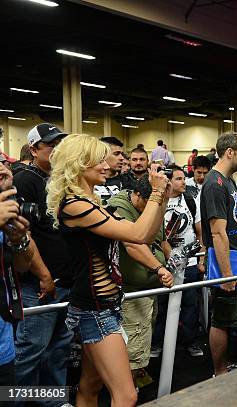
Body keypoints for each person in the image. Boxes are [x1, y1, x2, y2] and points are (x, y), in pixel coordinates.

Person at [47, 133, 171, 406]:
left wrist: (161, 198)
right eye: (99, 162)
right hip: (96, 310)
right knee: (126, 396)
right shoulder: (75, 205)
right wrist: (158, 192)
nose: (108, 166)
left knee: (91, 386)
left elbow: (144, 236)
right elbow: (138, 233)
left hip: (103, 306)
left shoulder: (91, 201)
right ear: (79, 164)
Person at [13, 123, 74, 398]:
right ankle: (13, 401)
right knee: (30, 351)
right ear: (34, 149)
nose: (57, 149)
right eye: (51, 145)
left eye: (60, 144)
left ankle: (52, 401)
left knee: (58, 349)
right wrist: (44, 276)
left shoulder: (59, 178)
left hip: (63, 282)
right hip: (38, 286)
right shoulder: (25, 179)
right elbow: (24, 234)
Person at [106, 176, 173, 386]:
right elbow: (133, 243)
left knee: (143, 339)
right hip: (131, 290)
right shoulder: (119, 206)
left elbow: (159, 238)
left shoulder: (152, 204)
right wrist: (159, 267)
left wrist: (163, 201)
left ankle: (134, 382)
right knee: (133, 345)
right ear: (136, 194)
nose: (152, 207)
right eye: (149, 201)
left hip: (149, 286)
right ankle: (128, 389)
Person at [200, 132, 237, 376]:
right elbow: (217, 233)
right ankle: (219, 372)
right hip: (225, 263)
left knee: (232, 317)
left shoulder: (228, 180)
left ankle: (225, 366)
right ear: (229, 152)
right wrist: (226, 275)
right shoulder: (214, 184)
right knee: (221, 318)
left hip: (236, 257)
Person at [153, 166, 205, 358]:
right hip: (164, 265)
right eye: (178, 179)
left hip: (189, 263)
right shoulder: (158, 202)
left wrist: (200, 257)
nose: (184, 182)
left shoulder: (191, 201)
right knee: (162, 306)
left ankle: (191, 342)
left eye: (184, 178)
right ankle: (157, 342)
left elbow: (199, 232)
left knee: (190, 304)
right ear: (168, 182)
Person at [0, 160, 34, 388]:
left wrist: (19, 240)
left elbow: (22, 266)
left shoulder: (6, 209)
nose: (2, 169)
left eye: (2, 163)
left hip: (3, 344)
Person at [94, 136, 125, 205]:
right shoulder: (90, 181)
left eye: (122, 154)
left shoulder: (127, 181)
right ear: (102, 155)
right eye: (116, 154)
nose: (122, 158)